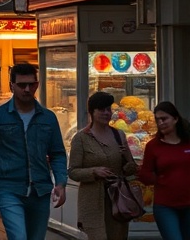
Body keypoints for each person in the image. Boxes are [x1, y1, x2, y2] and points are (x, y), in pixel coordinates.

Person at [0, 63, 68, 240]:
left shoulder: (48, 118)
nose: (27, 89)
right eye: (22, 85)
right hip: (9, 188)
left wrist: (61, 183)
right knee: (18, 237)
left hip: (40, 190)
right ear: (12, 86)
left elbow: (57, 153)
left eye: (31, 84)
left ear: (37, 85)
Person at [68, 91, 139, 240]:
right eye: (101, 109)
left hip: (117, 199)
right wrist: (94, 172)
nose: (106, 113)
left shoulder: (119, 135)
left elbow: (130, 169)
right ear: (92, 112)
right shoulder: (81, 138)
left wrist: (127, 157)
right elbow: (73, 171)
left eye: (108, 109)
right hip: (92, 200)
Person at [138, 101, 190, 240]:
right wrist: (159, 178)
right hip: (166, 206)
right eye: (157, 120)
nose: (160, 123)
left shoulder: (187, 142)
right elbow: (145, 174)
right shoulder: (153, 146)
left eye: (164, 118)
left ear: (175, 119)